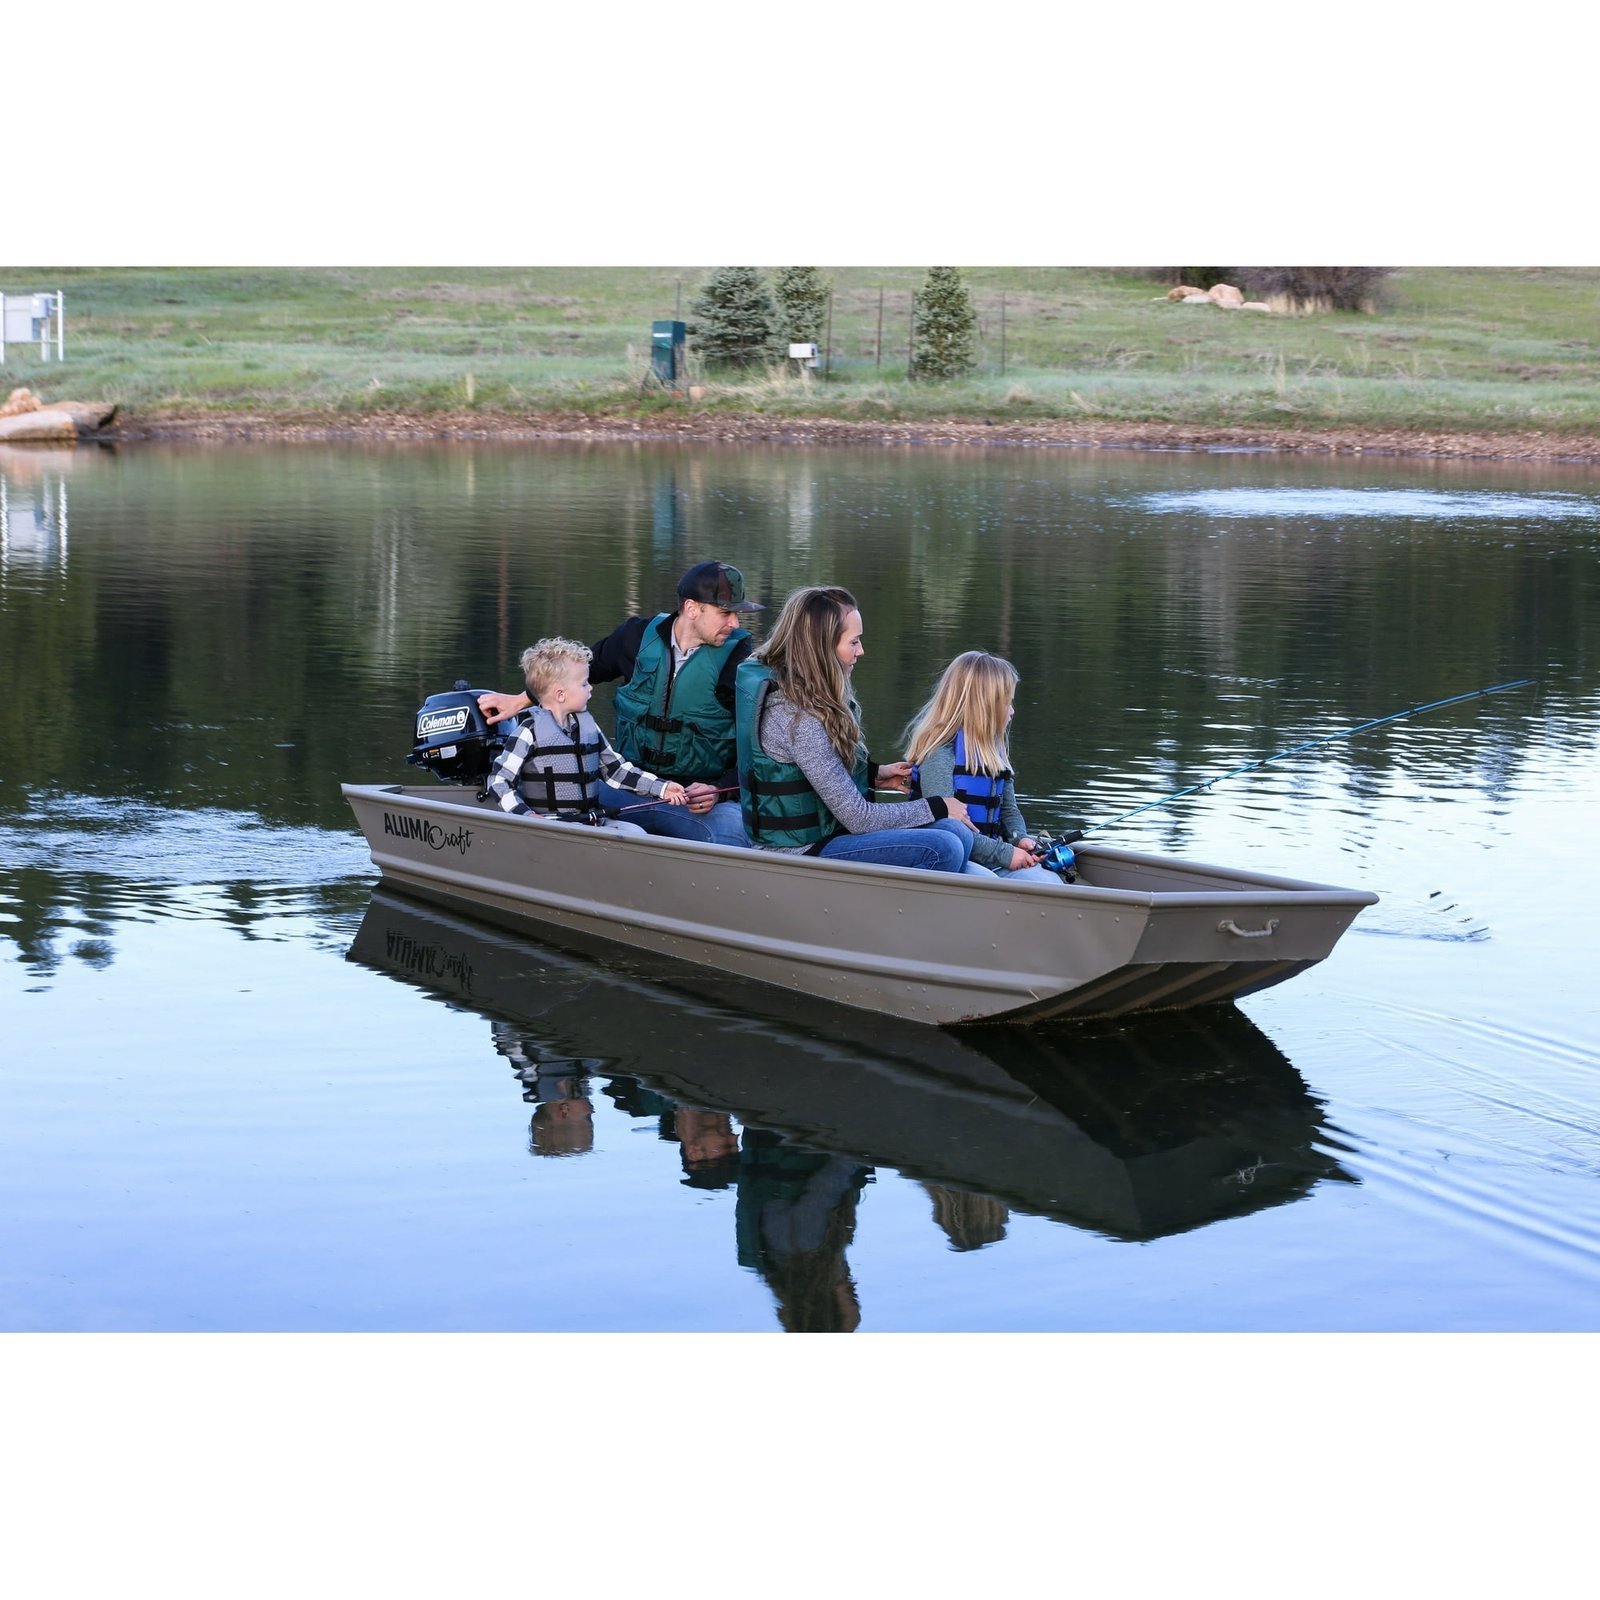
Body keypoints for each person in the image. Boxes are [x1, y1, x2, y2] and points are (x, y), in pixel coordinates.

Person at [478, 561, 761, 848]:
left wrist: (719, 789)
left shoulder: (740, 661)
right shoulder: (635, 637)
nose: (734, 624)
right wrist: (521, 700)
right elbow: (573, 673)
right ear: (691, 608)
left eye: (736, 615)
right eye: (725, 613)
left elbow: (757, 748)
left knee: (735, 830)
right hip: (626, 788)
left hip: (691, 802)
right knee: (550, 793)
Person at [735, 585, 977, 873]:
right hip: (799, 852)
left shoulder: (809, 695)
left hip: (828, 835)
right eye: (854, 642)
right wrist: (938, 805)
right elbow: (859, 818)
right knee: (944, 847)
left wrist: (873, 774)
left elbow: (815, 771)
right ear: (822, 647)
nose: (861, 651)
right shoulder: (796, 717)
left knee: (958, 833)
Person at [485, 637, 686, 833]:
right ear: (560, 694)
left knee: (636, 833)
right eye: (584, 684)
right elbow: (498, 781)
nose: (590, 688)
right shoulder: (528, 732)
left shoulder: (588, 728)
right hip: (550, 828)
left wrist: (662, 788)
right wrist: (526, 816)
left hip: (591, 823)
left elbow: (617, 771)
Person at [902, 650, 1060, 884]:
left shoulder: (994, 753)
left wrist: (1019, 839)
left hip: (991, 856)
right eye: (1007, 703)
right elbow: (948, 828)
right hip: (951, 857)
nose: (1012, 711)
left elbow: (1009, 810)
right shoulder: (939, 753)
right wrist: (1004, 854)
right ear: (983, 706)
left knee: (1048, 881)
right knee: (987, 882)